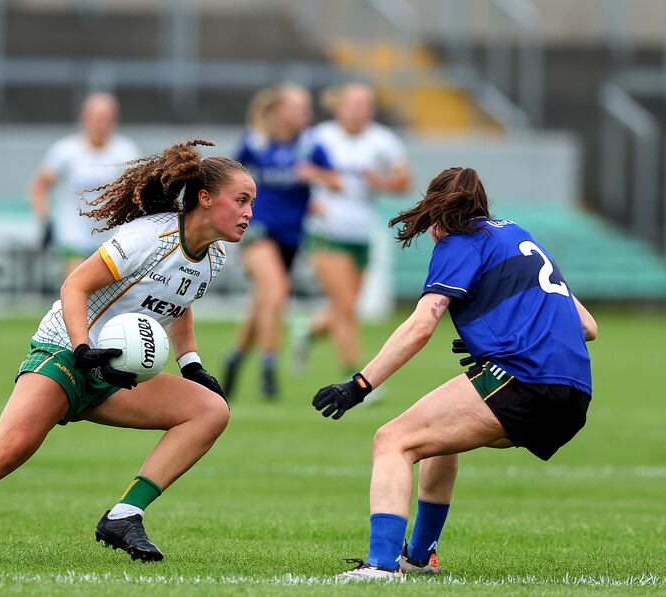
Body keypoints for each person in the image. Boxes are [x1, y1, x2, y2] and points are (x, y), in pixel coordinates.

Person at [0, 140, 256, 563]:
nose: (249, 213)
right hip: (65, 350)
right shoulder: (149, 236)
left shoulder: (215, 257)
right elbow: (75, 285)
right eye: (241, 200)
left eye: (252, 203)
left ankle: (124, 515)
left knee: (211, 410)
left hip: (114, 373)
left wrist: (191, 364)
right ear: (205, 199)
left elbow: (178, 301)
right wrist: (82, 348)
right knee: (6, 452)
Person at [311, 167, 598, 580]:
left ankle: (381, 565)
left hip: (523, 378)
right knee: (439, 442)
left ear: (436, 213)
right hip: (573, 395)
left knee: (392, 440)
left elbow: (423, 323)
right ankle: (419, 557)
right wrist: (508, 331)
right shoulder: (518, 234)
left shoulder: (459, 241)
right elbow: (588, 327)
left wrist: (360, 385)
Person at [221, 83, 340, 400]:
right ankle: (268, 370)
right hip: (257, 232)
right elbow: (228, 181)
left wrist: (314, 175)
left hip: (291, 237)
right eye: (299, 107)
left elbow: (336, 181)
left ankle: (233, 360)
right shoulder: (255, 143)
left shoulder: (311, 146)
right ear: (279, 111)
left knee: (264, 302)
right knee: (276, 292)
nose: (307, 113)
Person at [295, 83, 412, 377]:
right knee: (345, 307)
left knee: (344, 308)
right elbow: (296, 172)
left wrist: (380, 182)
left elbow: (403, 183)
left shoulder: (383, 141)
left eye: (365, 105)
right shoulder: (320, 137)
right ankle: (357, 377)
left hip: (360, 233)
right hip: (325, 230)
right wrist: (312, 194)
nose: (358, 111)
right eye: (352, 104)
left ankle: (307, 332)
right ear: (339, 106)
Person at [29, 92, 140, 277]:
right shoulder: (65, 150)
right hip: (74, 234)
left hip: (111, 237)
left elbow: (136, 192)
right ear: (85, 118)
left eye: (106, 118)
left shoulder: (125, 151)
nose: (100, 124)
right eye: (96, 118)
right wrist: (46, 220)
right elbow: (39, 187)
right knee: (77, 287)